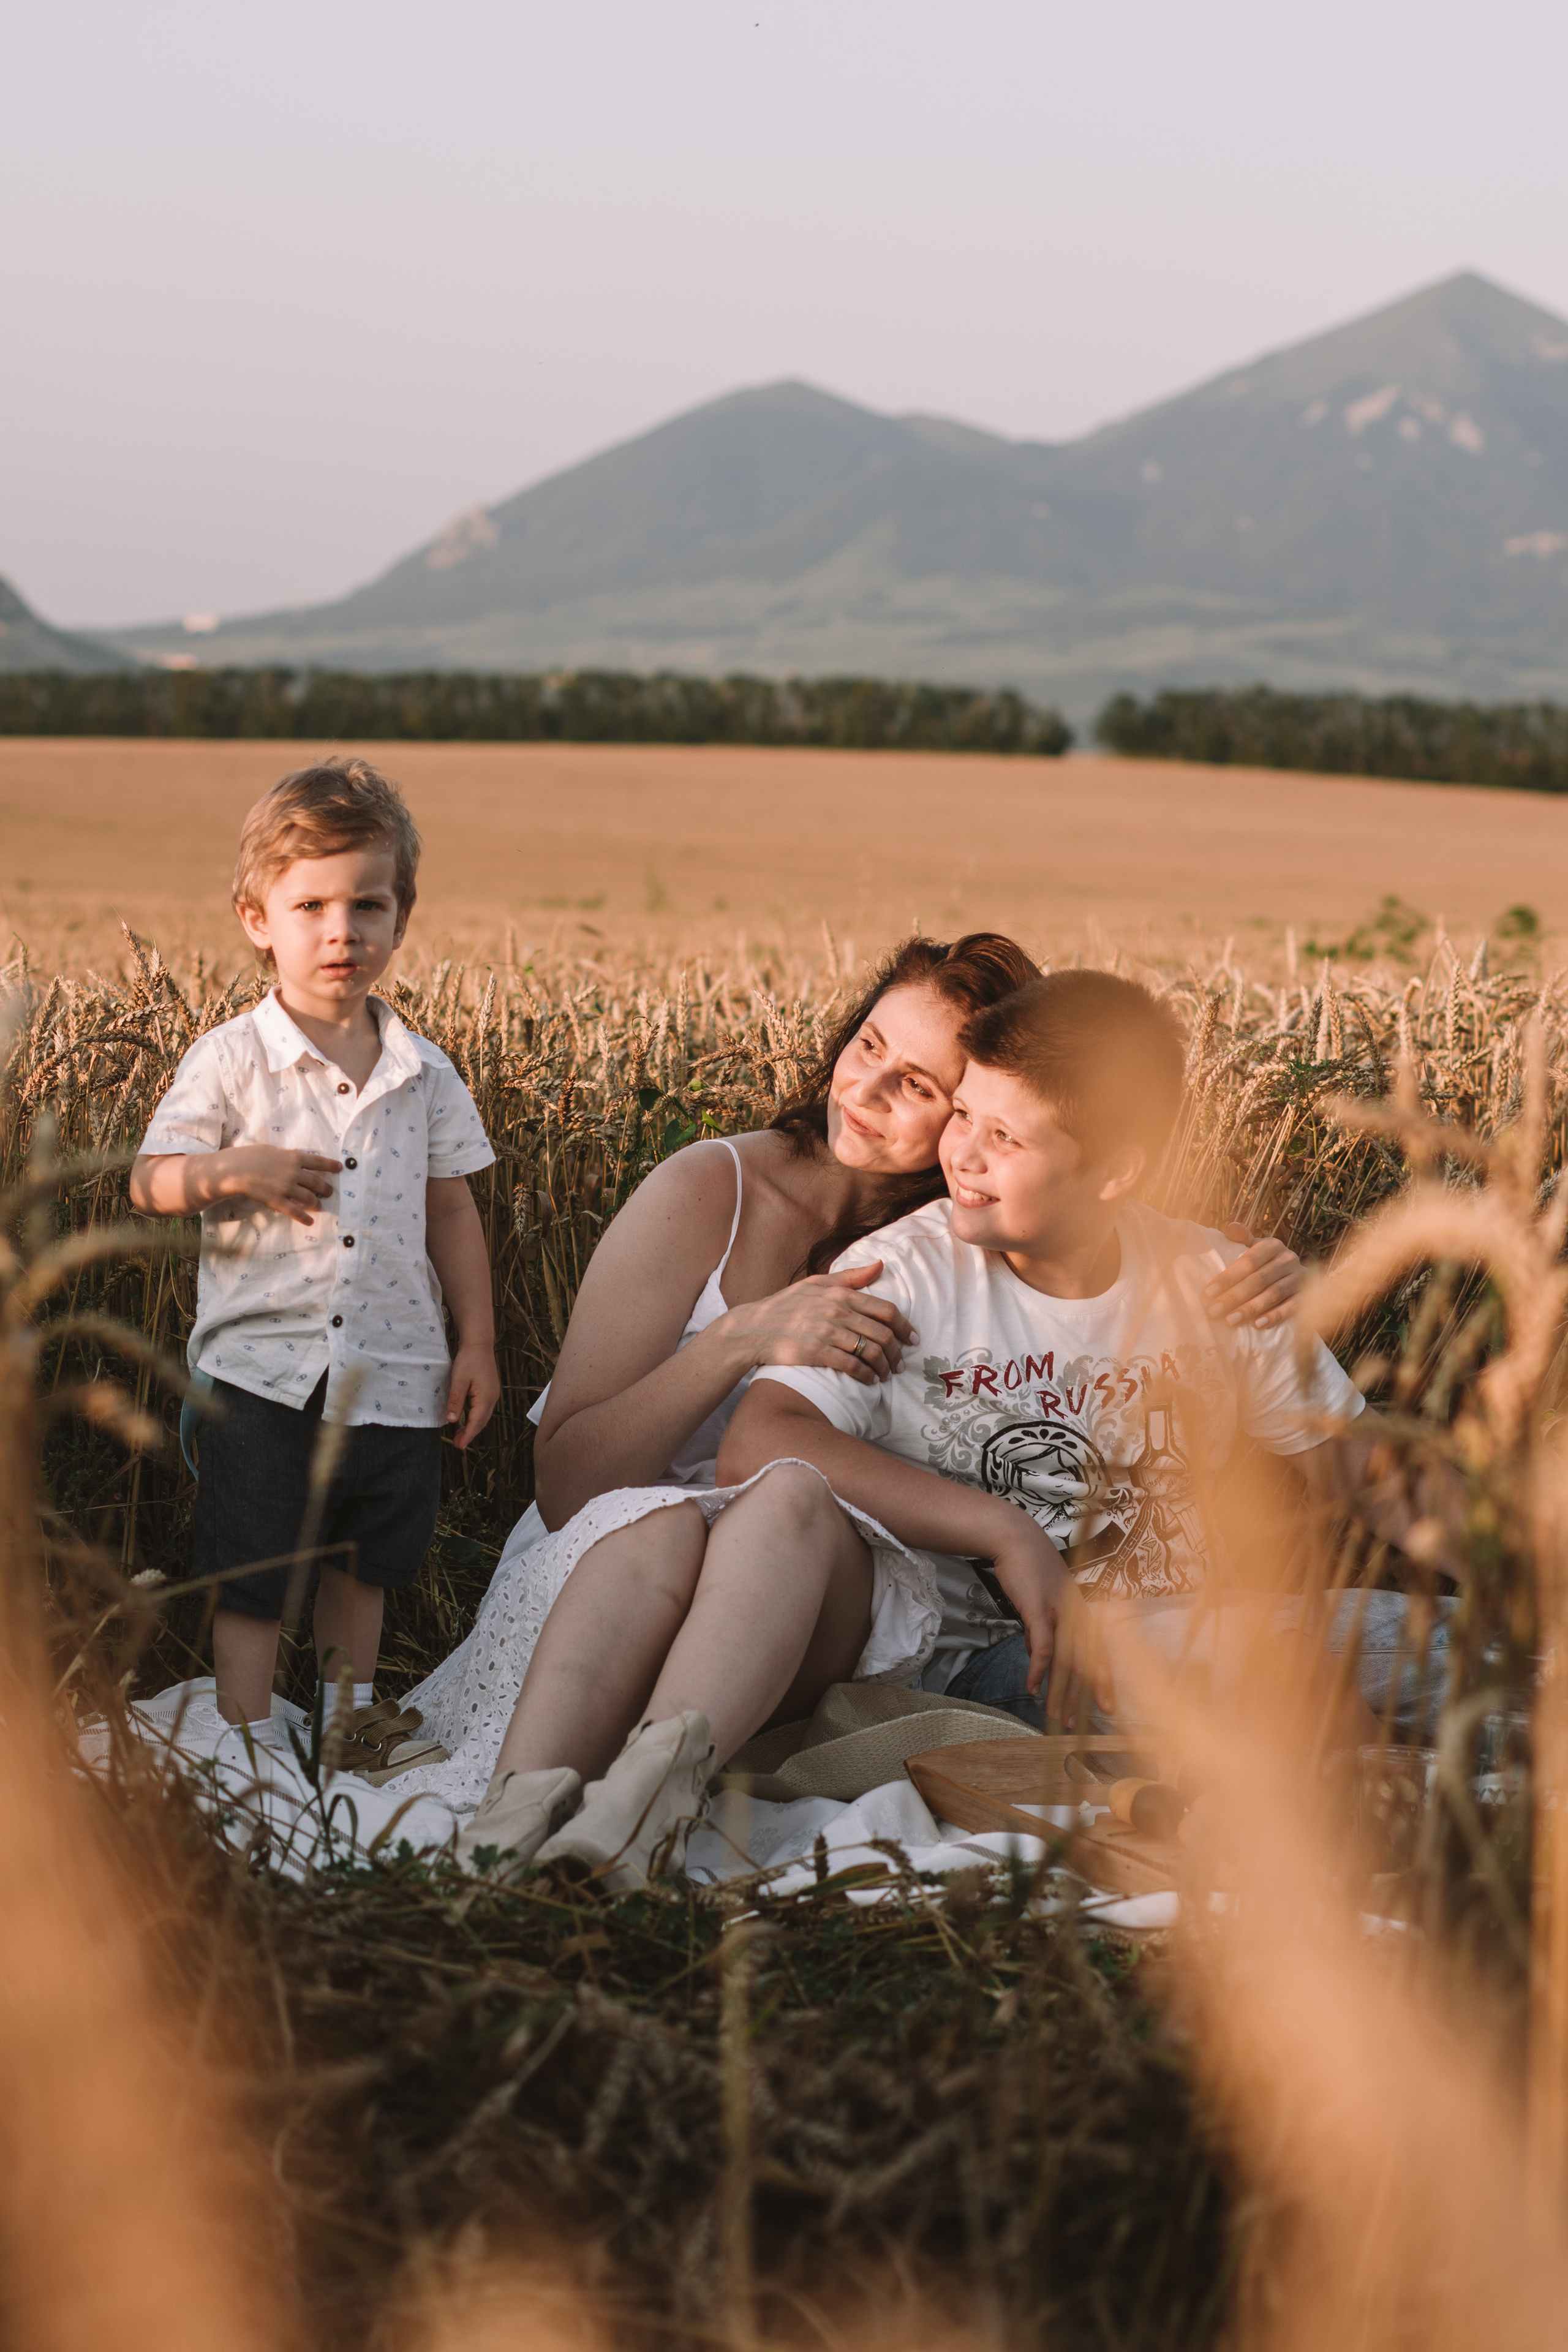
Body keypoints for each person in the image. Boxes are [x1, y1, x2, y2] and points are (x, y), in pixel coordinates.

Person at [401, 936, 1304, 1882]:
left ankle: (640, 1804)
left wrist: (1249, 1267)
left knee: (789, 1499)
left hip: (804, 1598)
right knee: (669, 1524)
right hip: (614, 1585)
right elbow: (563, 1485)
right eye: (868, 1044)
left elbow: (1108, 1256)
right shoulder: (709, 1190)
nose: (866, 1090)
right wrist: (737, 1341)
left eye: (919, 1085)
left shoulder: (962, 1240)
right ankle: (513, 1824)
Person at [720, 968, 1452, 1737]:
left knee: (1486, 1652)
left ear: (1115, 1171)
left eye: (1005, 1138)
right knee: (1285, 1672)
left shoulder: (1216, 1277)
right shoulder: (902, 1277)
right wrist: (1002, 1528)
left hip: (1219, 1621)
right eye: (963, 1114)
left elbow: (1372, 1476)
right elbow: (759, 1440)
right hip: (1017, 1664)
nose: (962, 1154)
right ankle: (1362, 1798)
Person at [129, 759, 499, 1775]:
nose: (343, 931)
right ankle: (245, 1736)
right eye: (312, 907)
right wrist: (228, 1171)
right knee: (253, 1562)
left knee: (361, 1561)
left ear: (401, 918)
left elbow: (451, 1208)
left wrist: (476, 1342)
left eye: (367, 905)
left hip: (397, 1369)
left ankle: (348, 1728)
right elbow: (149, 1181)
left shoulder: (426, 1074)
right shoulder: (230, 1060)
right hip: (262, 1371)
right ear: (257, 919)